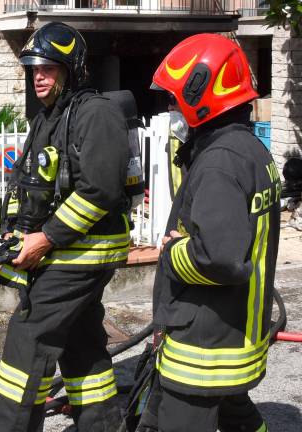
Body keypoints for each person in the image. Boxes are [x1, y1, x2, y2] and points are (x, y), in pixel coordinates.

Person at [0, 22, 130, 432]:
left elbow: (98, 192)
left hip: (81, 253)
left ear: (73, 70)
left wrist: (45, 239)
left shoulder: (96, 114)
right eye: (34, 70)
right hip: (65, 251)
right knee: (83, 344)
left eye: (48, 68)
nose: (39, 77)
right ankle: (102, 424)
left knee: (29, 340)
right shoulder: (51, 117)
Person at [140, 33, 280, 432]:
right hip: (235, 335)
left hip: (204, 349)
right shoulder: (252, 151)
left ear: (203, 93)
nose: (170, 108)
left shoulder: (219, 163)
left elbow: (221, 258)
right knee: (238, 417)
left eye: (174, 99)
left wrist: (173, 252)